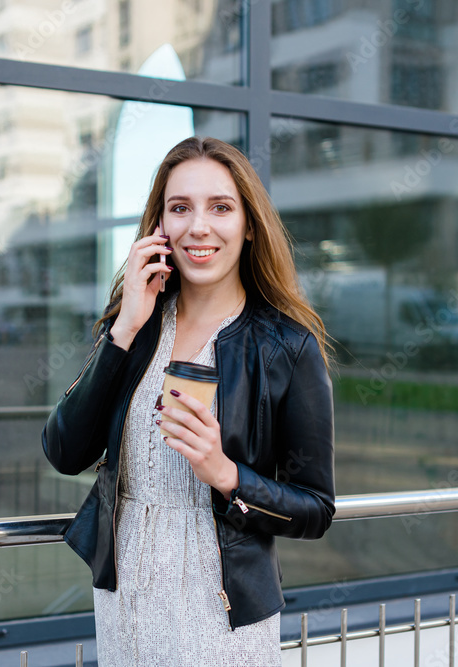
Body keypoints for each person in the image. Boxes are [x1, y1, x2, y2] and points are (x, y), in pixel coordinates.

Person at [42, 136, 335, 666]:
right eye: (180, 208)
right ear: (160, 227)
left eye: (220, 207)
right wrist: (125, 327)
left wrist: (226, 474)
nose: (199, 226)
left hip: (220, 611)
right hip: (123, 598)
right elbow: (65, 452)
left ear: (249, 226)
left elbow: (315, 510)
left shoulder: (287, 348)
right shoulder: (135, 323)